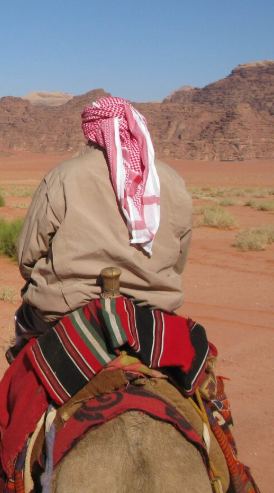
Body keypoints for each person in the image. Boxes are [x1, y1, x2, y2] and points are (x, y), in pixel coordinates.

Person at [12, 96, 194, 346]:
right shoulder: (171, 180)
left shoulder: (63, 176)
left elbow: (28, 256)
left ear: (90, 129)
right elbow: (179, 260)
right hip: (153, 311)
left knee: (23, 329)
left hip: (67, 308)